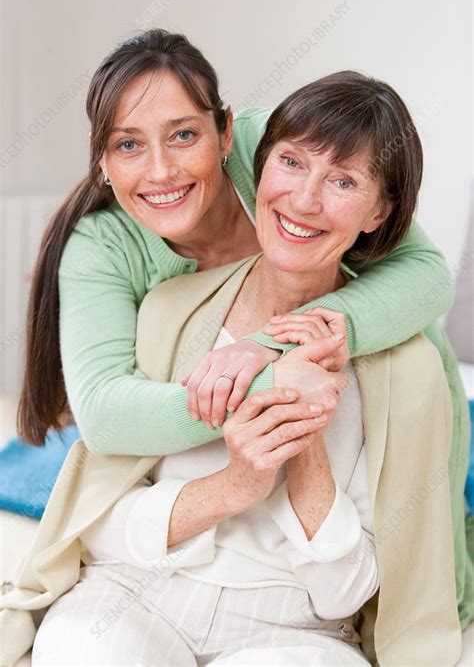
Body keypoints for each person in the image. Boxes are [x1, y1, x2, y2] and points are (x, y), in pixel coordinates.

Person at [15, 30, 471, 627]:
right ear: (102, 159)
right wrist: (277, 389)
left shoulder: (281, 150)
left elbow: (428, 275)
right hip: (226, 467)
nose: (161, 170)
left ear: (226, 132)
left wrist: (265, 346)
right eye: (128, 144)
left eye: (184, 135)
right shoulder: (103, 246)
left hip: (369, 402)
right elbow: (103, 413)